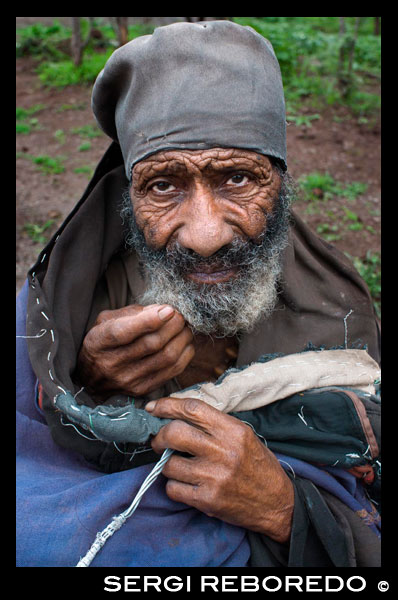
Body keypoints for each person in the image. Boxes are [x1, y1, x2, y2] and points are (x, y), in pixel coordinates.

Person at [16, 20, 381, 568]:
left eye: (237, 178)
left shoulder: (336, 316)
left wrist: (284, 507)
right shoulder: (60, 307)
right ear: (127, 194)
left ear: (281, 184)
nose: (205, 235)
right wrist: (87, 376)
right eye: (163, 185)